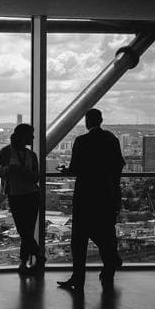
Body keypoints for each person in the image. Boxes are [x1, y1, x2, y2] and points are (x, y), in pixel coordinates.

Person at [57, 109, 125, 292]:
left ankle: (78, 277)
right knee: (105, 233)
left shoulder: (82, 141)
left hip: (85, 195)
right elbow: (119, 165)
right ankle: (110, 266)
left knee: (79, 239)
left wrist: (66, 171)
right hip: (106, 195)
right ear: (101, 120)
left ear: (87, 122)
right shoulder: (112, 140)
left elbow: (76, 169)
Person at [0, 124, 44, 275]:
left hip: (30, 194)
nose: (33, 138)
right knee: (23, 230)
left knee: (26, 230)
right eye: (30, 135)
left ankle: (24, 263)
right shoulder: (6, 152)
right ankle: (37, 256)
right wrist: (8, 170)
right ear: (23, 136)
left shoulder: (31, 155)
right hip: (17, 194)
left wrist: (23, 171)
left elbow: (36, 177)